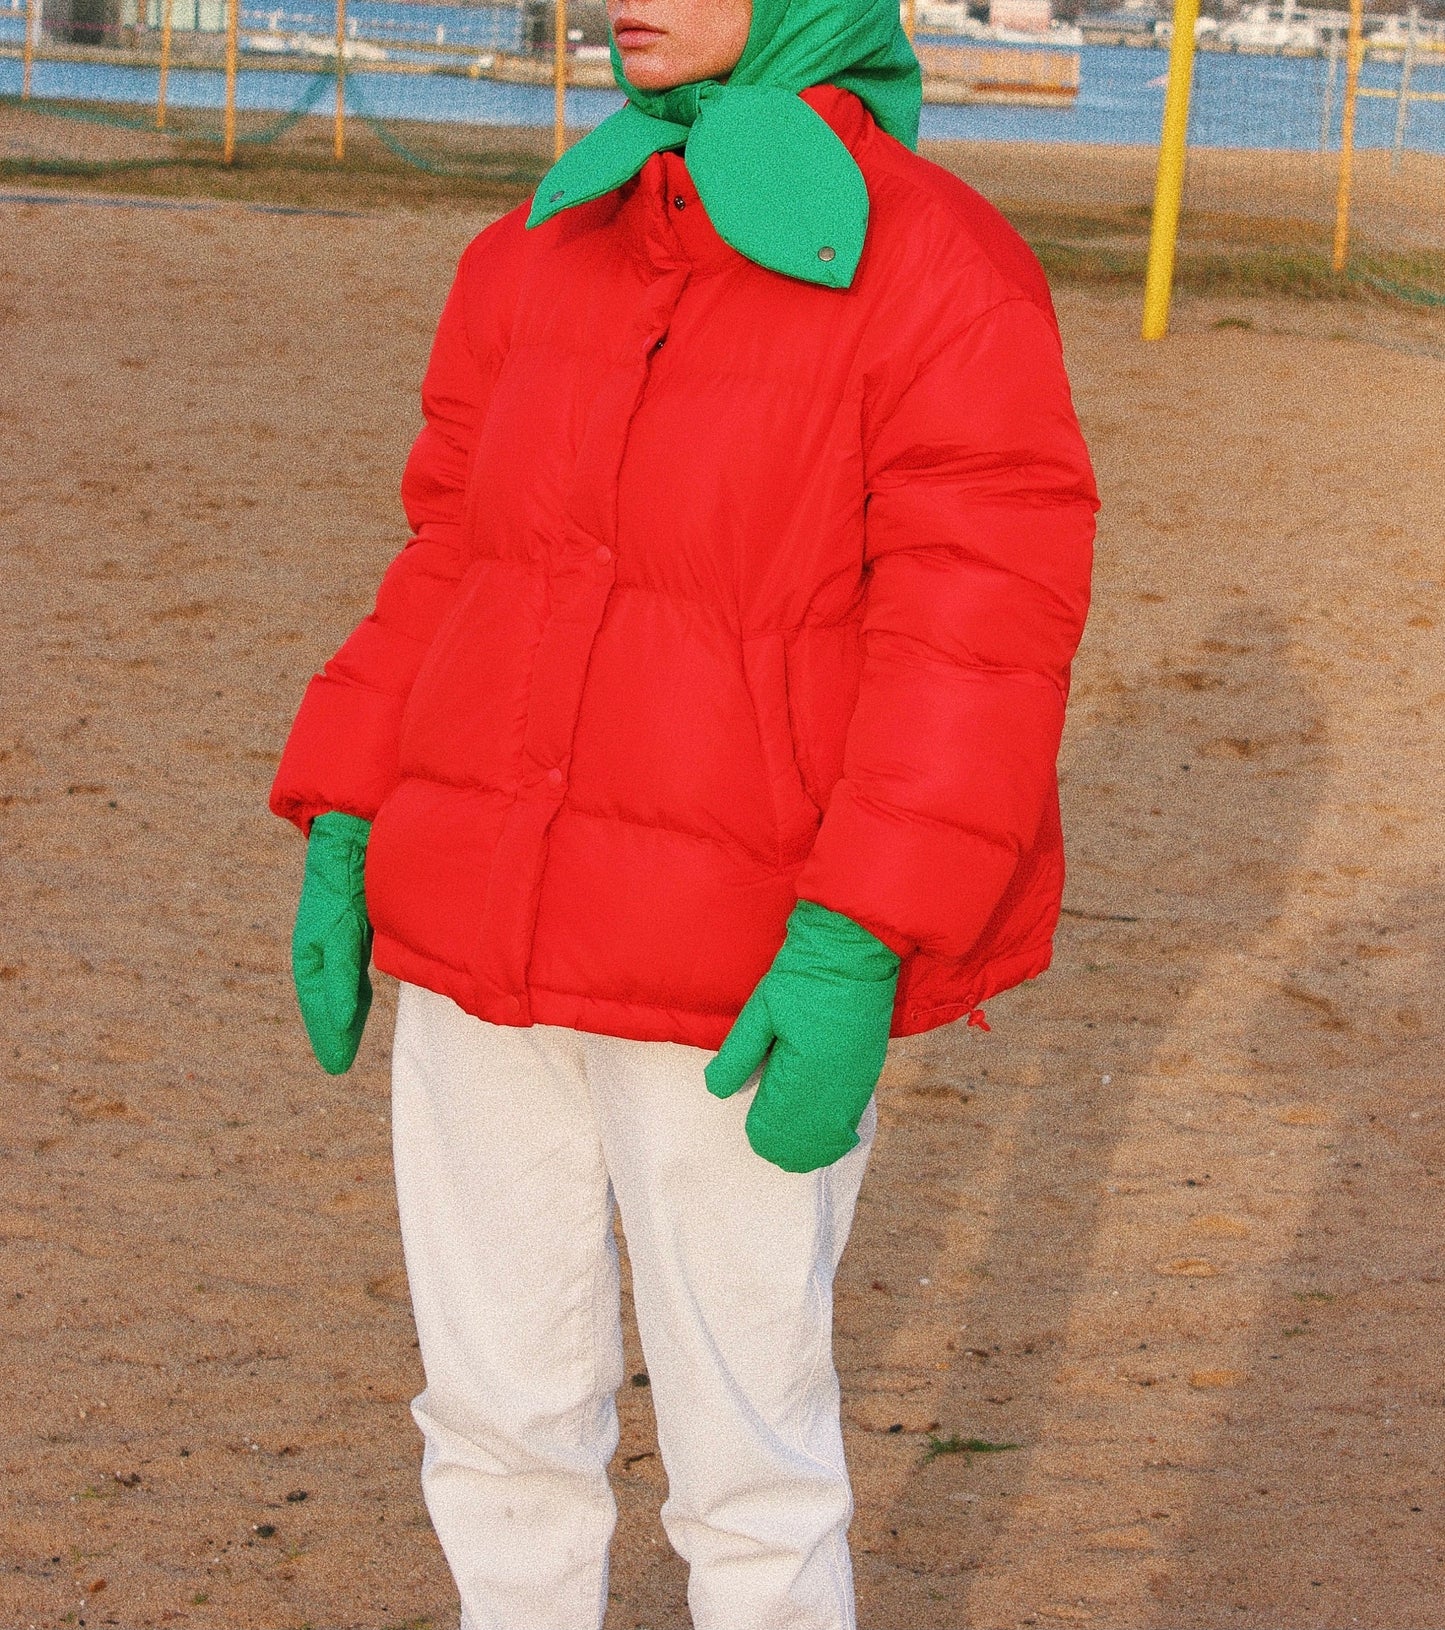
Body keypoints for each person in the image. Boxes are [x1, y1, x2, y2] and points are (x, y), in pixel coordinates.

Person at [269, 0, 1097, 1624]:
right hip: (474, 936)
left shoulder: (935, 263)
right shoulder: (535, 244)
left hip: (735, 970)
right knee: (494, 1419)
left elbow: (976, 633)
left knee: (750, 1460)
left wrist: (862, 931)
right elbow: (449, 550)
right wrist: (350, 813)